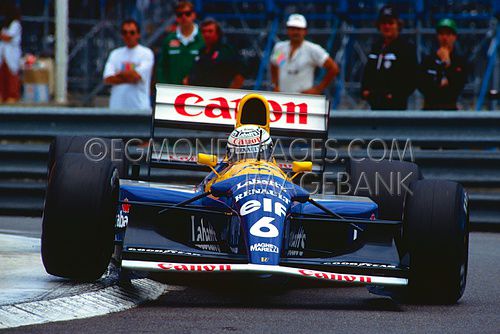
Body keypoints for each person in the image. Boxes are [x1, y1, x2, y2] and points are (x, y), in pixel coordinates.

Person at [361, 5, 418, 110]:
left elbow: (412, 78)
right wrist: (365, 91)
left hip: (396, 107)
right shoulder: (376, 47)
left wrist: (395, 95)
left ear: (398, 25)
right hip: (374, 105)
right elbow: (368, 72)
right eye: (383, 23)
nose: (387, 26)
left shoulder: (406, 48)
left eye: (390, 23)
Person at [270, 14, 339, 94]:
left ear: (305, 31)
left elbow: (333, 68)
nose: (295, 32)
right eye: (292, 29)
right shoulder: (280, 48)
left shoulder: (313, 49)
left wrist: (318, 89)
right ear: (287, 30)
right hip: (283, 97)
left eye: (299, 29)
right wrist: (275, 85)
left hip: (303, 100)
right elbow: (274, 65)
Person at [418, 19, 470, 110]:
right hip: (430, 107)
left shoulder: (460, 62)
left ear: (454, 37)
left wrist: (448, 65)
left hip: (450, 106)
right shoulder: (428, 61)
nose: (445, 38)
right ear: (438, 36)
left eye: (448, 34)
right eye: (442, 34)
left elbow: (458, 85)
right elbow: (422, 85)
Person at [103, 19, 154, 110]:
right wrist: (130, 77)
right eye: (125, 32)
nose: (128, 35)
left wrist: (119, 74)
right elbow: (108, 78)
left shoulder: (146, 53)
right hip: (117, 108)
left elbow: (136, 76)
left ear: (138, 34)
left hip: (139, 108)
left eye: (132, 32)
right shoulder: (115, 54)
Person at [185, 18, 244, 88]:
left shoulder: (226, 51)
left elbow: (240, 75)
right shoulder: (200, 52)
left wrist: (229, 94)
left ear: (218, 34)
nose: (206, 34)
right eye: (204, 31)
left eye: (210, 31)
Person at [156, 1, 204, 85]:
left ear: (193, 15)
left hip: (198, 92)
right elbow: (162, 67)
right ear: (176, 18)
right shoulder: (169, 40)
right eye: (180, 14)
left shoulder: (203, 39)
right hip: (173, 92)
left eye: (187, 13)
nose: (184, 17)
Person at [0, 3, 22, 103]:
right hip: (3, 53)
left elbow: (8, 37)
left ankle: (12, 96)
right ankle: (2, 96)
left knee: (11, 75)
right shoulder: (5, 25)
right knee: (2, 75)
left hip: (11, 53)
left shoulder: (15, 24)